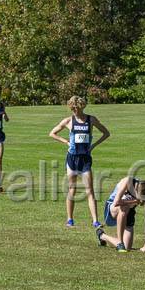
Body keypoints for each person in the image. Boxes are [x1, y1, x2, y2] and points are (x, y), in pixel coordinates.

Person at [49, 96, 110, 228]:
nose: (75, 110)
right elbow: (52, 133)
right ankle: (70, 219)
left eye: (77, 108)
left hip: (85, 159)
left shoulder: (91, 119)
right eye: (73, 108)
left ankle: (95, 221)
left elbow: (106, 133)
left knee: (90, 190)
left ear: (82, 106)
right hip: (72, 158)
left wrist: (93, 145)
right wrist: (65, 141)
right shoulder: (68, 121)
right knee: (72, 189)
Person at [96, 176, 145, 253]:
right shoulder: (128, 181)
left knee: (127, 248)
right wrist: (134, 201)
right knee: (124, 208)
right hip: (112, 210)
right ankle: (120, 243)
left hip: (128, 213)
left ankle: (102, 235)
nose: (143, 202)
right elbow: (116, 202)